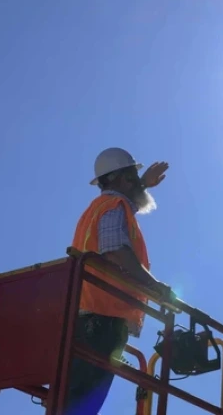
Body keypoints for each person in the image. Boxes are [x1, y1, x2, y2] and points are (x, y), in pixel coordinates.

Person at [65, 147, 171, 415]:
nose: (139, 181)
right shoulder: (114, 207)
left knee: (75, 400)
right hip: (102, 320)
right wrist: (155, 287)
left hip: (88, 316)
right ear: (122, 179)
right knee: (82, 405)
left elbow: (129, 199)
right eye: (134, 176)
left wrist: (143, 183)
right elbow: (116, 251)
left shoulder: (103, 207)